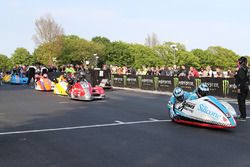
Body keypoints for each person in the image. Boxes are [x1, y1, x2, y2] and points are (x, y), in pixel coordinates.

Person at [235, 56, 249, 121]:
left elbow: (241, 80)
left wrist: (239, 87)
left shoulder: (241, 69)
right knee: (242, 102)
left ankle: (243, 117)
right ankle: (242, 115)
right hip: (246, 87)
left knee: (241, 102)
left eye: (238, 61)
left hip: (242, 87)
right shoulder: (247, 68)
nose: (237, 62)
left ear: (241, 62)